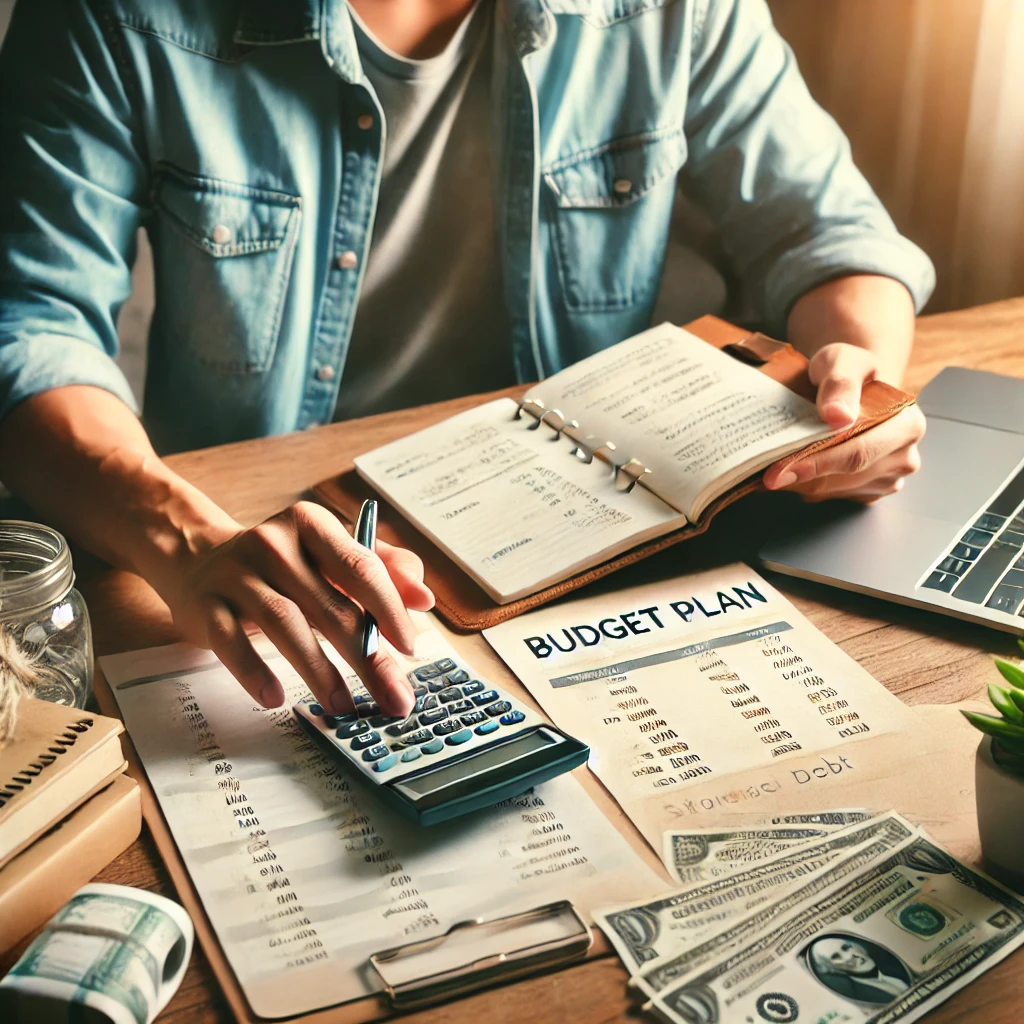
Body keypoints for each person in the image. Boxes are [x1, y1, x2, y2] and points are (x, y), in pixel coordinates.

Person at [0, 0, 932, 719]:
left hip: (588, 557)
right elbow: (30, 327)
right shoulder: (113, 15)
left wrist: (862, 396)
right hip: (269, 548)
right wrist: (186, 538)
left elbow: (832, 235)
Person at [807, 936, 911, 1004]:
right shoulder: (859, 997)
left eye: (846, 947)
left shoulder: (896, 964)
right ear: (831, 969)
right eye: (835, 957)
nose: (850, 956)